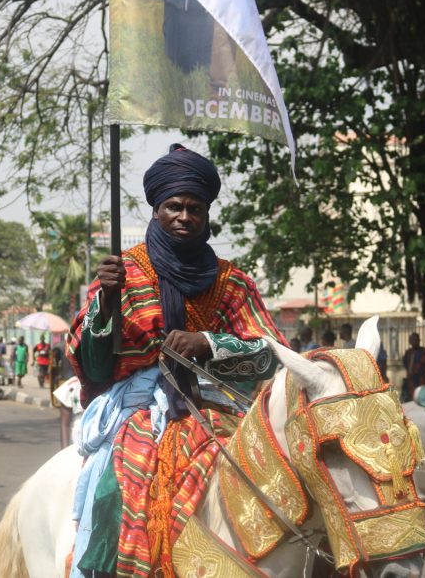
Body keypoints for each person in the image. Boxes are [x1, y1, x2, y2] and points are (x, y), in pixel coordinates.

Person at [66, 144, 285, 576]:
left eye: (195, 208)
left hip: (218, 407)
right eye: (174, 207)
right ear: (156, 211)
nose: (184, 216)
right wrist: (106, 305)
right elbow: (90, 367)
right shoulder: (121, 273)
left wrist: (208, 342)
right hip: (139, 410)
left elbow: (272, 355)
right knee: (118, 488)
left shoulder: (233, 282)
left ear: (206, 216)